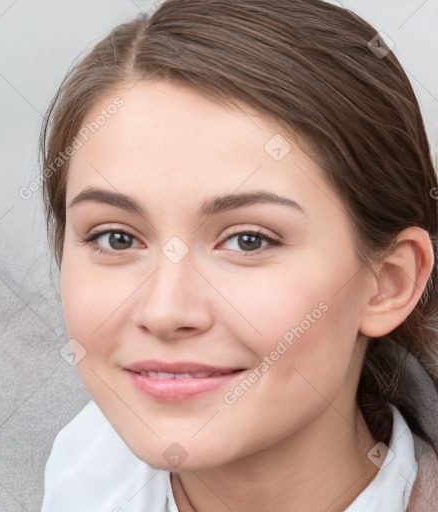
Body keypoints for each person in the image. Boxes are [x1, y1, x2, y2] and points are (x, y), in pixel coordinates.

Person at [39, 0, 438, 510]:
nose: (164, 312)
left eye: (249, 240)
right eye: (116, 238)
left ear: (389, 283)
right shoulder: (81, 471)